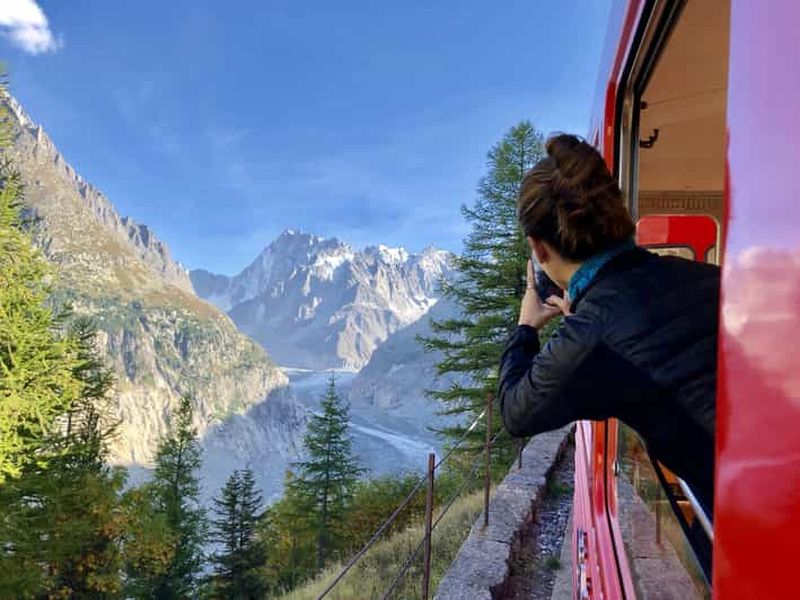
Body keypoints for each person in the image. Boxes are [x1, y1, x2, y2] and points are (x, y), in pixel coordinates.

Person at [498, 133, 719, 515]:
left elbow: (515, 411)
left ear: (538, 248)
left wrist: (526, 327)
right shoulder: (701, 275)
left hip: (755, 526)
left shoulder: (591, 334)